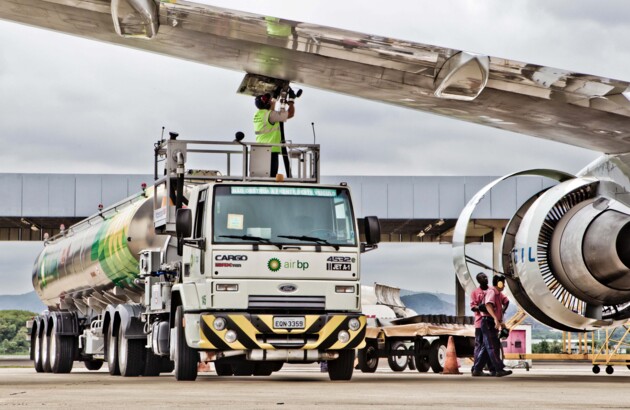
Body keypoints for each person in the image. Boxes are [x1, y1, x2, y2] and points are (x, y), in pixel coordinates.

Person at [253, 93, 295, 177]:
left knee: (260, 178)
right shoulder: (271, 115)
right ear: (268, 104)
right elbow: (290, 114)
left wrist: (273, 103)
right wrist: (291, 102)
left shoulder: (258, 114)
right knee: (271, 178)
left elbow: (270, 112)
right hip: (271, 151)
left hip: (260, 151)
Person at [480, 274, 512, 377]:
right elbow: (488, 305)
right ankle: (499, 369)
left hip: (492, 321)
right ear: (499, 283)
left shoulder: (498, 294)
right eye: (503, 283)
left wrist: (500, 319)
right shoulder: (492, 292)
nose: (504, 286)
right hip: (488, 321)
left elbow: (506, 302)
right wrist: (495, 319)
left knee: (489, 346)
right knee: (493, 347)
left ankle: (478, 369)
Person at [470, 272, 494, 377]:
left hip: (491, 322)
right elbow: (472, 307)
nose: (486, 278)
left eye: (486, 277)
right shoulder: (475, 293)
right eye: (483, 277)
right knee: (480, 346)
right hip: (480, 323)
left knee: (489, 346)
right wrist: (480, 307)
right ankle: (477, 367)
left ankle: (491, 368)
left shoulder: (492, 291)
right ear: (479, 280)